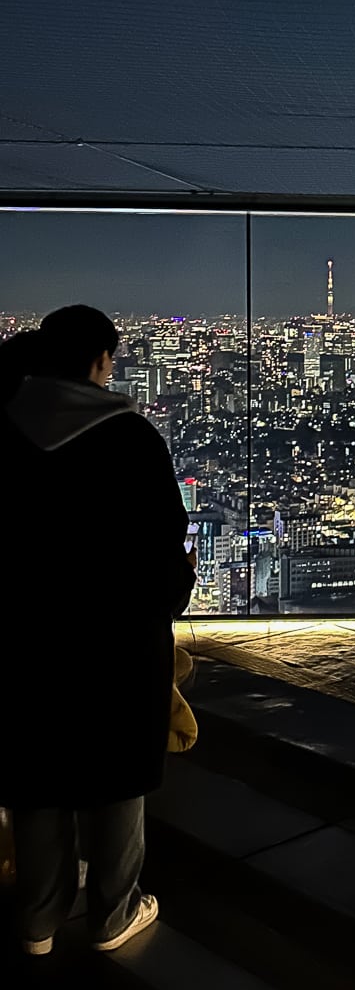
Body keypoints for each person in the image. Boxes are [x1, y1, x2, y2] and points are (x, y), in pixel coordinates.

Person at [0, 305, 195, 955]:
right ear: (98, 362)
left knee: (35, 772)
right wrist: (173, 593)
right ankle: (114, 911)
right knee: (116, 774)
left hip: (25, 640)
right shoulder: (130, 440)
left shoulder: (4, 430)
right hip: (116, 640)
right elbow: (166, 546)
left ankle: (38, 916)